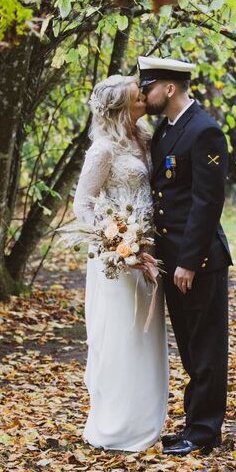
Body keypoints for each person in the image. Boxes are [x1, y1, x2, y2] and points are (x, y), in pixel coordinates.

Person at [140, 55, 232, 457]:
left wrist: (188, 261)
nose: (145, 95)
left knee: (207, 348)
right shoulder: (165, 130)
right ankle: (194, 425)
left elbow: (207, 202)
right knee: (191, 349)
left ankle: (205, 432)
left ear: (170, 88)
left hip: (198, 261)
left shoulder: (205, 131)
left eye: (149, 87)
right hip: (172, 257)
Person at [71, 75, 169, 452]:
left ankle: (146, 421)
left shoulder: (145, 139)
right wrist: (118, 244)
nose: (144, 96)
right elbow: (83, 205)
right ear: (122, 107)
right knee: (119, 336)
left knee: (145, 337)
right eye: (137, 95)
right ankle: (114, 426)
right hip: (116, 261)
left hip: (148, 255)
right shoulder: (103, 150)